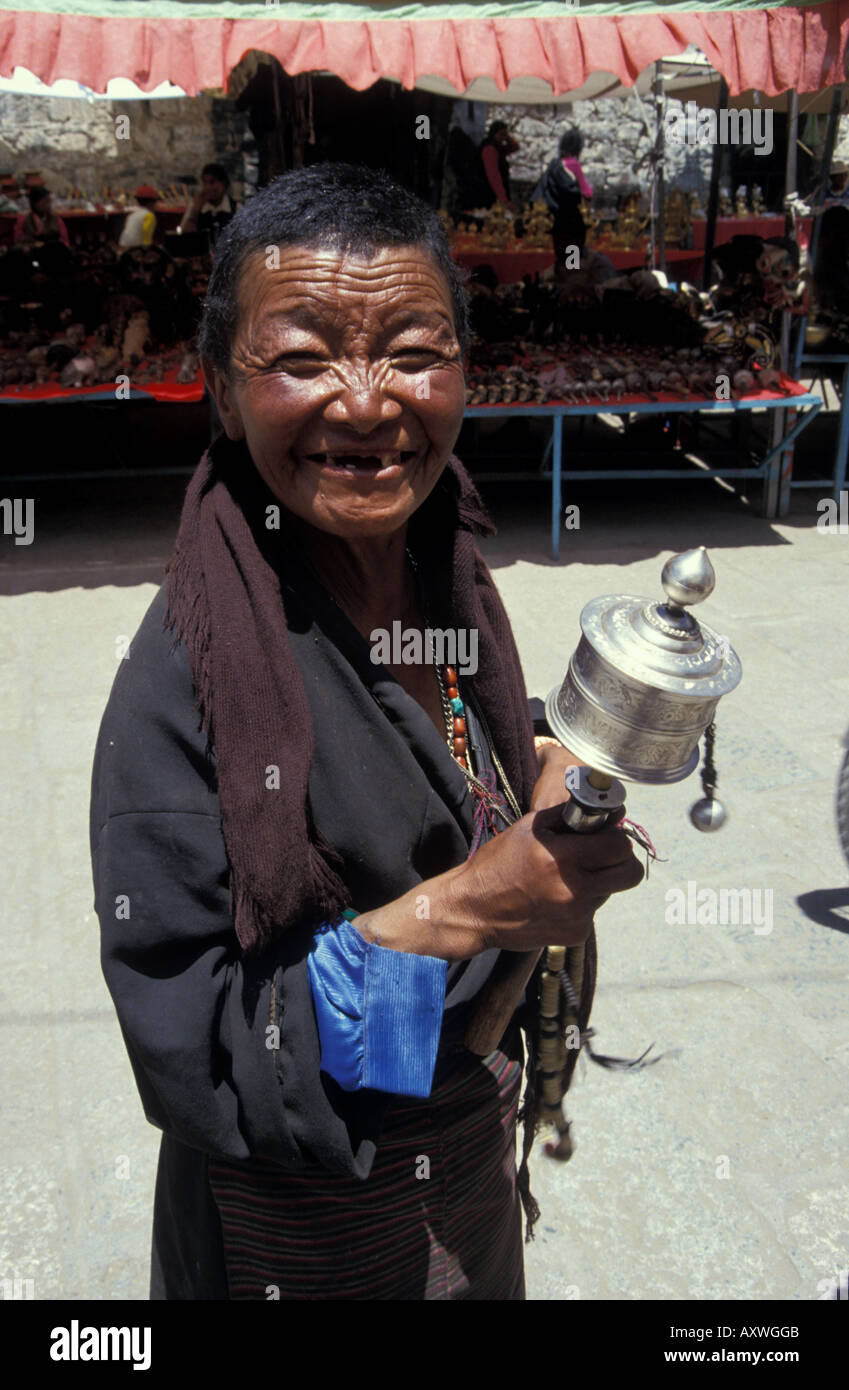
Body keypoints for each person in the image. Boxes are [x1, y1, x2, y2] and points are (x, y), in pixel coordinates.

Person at [90, 163, 644, 1302]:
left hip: (467, 1177)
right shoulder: (187, 677)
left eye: (413, 349)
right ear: (222, 390)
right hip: (304, 1232)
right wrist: (469, 907)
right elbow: (196, 1049)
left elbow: (441, 766)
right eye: (301, 358)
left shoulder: (448, 572)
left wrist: (531, 779)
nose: (364, 401)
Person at [533, 127, 593, 263]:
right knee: (572, 263)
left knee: (560, 260)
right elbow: (587, 193)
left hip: (556, 222)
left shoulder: (554, 165)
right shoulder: (574, 165)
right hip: (572, 223)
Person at [179, 162, 238, 243]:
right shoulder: (196, 206)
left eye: (212, 182)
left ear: (223, 183)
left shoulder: (235, 208)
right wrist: (195, 210)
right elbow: (184, 236)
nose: (208, 187)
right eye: (205, 183)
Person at [467, 121, 520, 209]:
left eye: (505, 135)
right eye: (501, 134)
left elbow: (515, 147)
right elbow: (493, 176)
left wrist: (507, 137)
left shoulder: (498, 148)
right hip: (486, 194)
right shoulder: (490, 149)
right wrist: (503, 200)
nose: (503, 138)